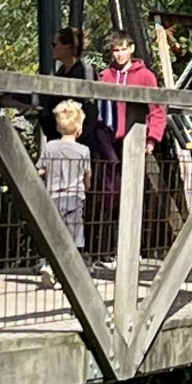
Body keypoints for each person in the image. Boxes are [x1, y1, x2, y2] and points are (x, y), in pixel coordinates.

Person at [89, 30, 166, 258]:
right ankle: (105, 250)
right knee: (107, 195)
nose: (120, 54)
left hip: (133, 143)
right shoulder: (105, 76)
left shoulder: (146, 77)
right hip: (106, 143)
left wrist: (152, 138)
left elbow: (157, 110)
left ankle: (132, 249)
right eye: (116, 50)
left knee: (132, 196)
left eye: (123, 49)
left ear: (131, 49)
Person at [39, 99, 92, 251]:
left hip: (53, 196)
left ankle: (49, 264)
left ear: (58, 125)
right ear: (79, 128)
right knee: (74, 233)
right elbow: (87, 173)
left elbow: (41, 170)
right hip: (74, 196)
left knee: (53, 233)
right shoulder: (83, 151)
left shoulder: (50, 147)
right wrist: (87, 186)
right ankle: (74, 263)